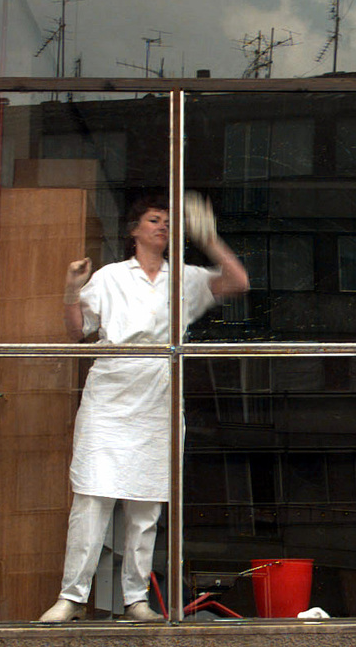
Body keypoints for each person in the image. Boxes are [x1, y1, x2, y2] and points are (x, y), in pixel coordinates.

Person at [39, 193, 248, 622]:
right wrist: (70, 290)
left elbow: (237, 281)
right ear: (134, 230)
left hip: (158, 392)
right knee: (92, 499)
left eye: (169, 222)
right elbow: (78, 330)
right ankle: (72, 597)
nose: (163, 227)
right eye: (155, 220)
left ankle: (135, 599)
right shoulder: (112, 276)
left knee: (146, 506)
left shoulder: (183, 278)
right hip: (112, 390)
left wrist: (208, 238)